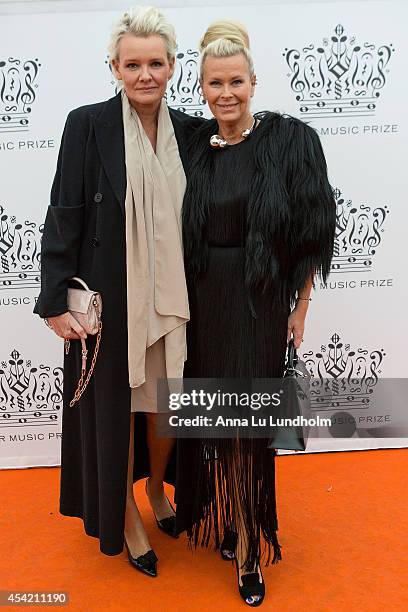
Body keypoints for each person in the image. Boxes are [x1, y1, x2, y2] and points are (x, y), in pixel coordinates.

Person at [34, 6, 202, 578]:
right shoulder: (87, 125)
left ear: (174, 66)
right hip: (111, 303)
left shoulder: (192, 134)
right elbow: (64, 213)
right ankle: (125, 511)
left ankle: (157, 487)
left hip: (175, 302)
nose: (145, 74)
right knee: (114, 411)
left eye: (156, 63)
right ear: (115, 67)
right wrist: (54, 299)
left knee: (165, 407)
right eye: (133, 64)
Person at [175, 20, 336, 606]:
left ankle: (247, 546)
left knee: (245, 429)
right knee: (216, 421)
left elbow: (312, 232)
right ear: (201, 87)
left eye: (236, 81)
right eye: (214, 83)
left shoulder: (290, 142)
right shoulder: (193, 143)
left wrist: (301, 307)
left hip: (258, 301)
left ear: (254, 81)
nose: (225, 93)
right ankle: (228, 515)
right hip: (199, 303)